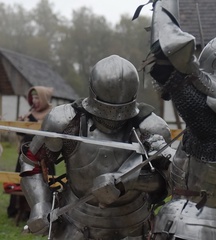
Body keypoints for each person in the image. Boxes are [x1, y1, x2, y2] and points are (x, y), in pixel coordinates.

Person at [19, 55, 176, 239]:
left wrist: (131, 181)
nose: (113, 118)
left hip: (135, 225)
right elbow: (32, 161)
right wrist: (40, 205)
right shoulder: (66, 121)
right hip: (76, 223)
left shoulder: (151, 128)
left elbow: (171, 180)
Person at [142, 0, 216, 239]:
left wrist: (163, 5)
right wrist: (163, 153)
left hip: (200, 230)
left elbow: (167, 57)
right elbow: (201, 170)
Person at [6, 86, 55, 220]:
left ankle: (42, 212)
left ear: (44, 99)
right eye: (33, 97)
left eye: (38, 97)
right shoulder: (29, 113)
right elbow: (20, 133)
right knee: (22, 181)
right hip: (25, 154)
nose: (35, 100)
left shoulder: (51, 114)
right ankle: (17, 210)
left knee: (43, 183)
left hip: (43, 155)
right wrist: (21, 123)